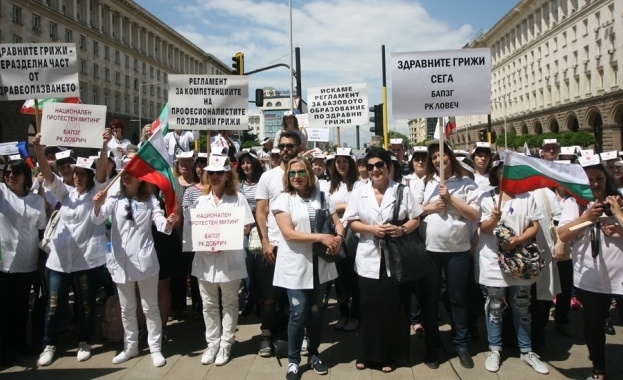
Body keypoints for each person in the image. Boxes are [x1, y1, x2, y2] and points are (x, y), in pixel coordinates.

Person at [33, 132, 111, 366]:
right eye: (73, 173)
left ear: (88, 176)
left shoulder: (96, 194)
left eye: (80, 173)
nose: (76, 176)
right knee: (54, 304)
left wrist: (104, 145)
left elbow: (101, 171)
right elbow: (49, 175)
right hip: (59, 260)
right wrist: (38, 149)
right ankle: (49, 343)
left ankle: (84, 341)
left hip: (85, 260)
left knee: (86, 304)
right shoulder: (65, 194)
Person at [343, 147, 424, 373]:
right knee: (369, 307)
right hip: (369, 256)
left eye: (379, 165)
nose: (375, 170)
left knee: (394, 307)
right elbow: (352, 222)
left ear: (388, 166)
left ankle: (390, 354)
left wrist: (402, 230)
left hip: (396, 257)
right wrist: (371, 229)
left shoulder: (402, 190)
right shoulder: (359, 192)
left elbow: (416, 218)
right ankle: (367, 353)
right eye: (370, 167)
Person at [91, 167, 176, 367]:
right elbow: (98, 218)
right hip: (121, 262)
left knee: (150, 307)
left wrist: (168, 223)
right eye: (123, 173)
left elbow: (160, 221)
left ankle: (155, 348)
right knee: (126, 308)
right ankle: (130, 347)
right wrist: (96, 205)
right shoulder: (114, 198)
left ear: (141, 178)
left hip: (145, 261)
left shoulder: (150, 200)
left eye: (130, 172)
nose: (126, 176)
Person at [273, 156, 343, 379]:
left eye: (301, 172)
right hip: (296, 265)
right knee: (298, 312)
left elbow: (338, 223)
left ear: (310, 174)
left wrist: (338, 238)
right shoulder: (283, 199)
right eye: (292, 173)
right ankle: (293, 361)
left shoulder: (322, 197)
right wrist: (322, 237)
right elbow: (289, 234)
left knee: (315, 312)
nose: (296, 177)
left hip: (320, 264)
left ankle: (313, 353)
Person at [477, 161, 549, 374]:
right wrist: (493, 219)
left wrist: (518, 240)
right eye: (502, 173)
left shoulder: (527, 197)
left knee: (522, 306)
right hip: (493, 262)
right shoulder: (487, 198)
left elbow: (535, 225)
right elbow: (484, 228)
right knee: (495, 308)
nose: (506, 177)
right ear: (496, 175)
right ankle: (495, 349)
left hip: (520, 262)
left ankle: (526, 350)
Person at [413, 140, 480, 369]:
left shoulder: (466, 182)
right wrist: (431, 206)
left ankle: (461, 345)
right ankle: (433, 346)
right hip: (431, 248)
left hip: (458, 249)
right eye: (433, 158)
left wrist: (451, 199)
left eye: (441, 156)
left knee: (458, 298)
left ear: (449, 157)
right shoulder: (426, 182)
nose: (437, 160)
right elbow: (415, 210)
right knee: (430, 300)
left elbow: (473, 215)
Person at [558, 154, 623, 380]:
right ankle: (599, 367)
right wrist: (586, 217)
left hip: (620, 274)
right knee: (593, 325)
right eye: (589, 180)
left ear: (606, 178)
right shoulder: (574, 203)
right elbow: (563, 234)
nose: (595, 184)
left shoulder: (619, 199)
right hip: (590, 277)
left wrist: (617, 215)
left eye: (599, 178)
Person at [191, 154, 253, 366]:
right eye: (212, 173)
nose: (215, 176)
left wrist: (226, 237)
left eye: (220, 173)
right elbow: (195, 231)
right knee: (208, 305)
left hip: (229, 261)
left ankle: (226, 344)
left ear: (228, 175)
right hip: (205, 262)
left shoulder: (238, 199)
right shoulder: (200, 201)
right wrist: (207, 241)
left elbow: (246, 227)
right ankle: (212, 344)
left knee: (229, 303)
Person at [255, 131, 300, 357]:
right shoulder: (268, 177)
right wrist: (265, 241)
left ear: (298, 148)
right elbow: (261, 212)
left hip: (298, 246)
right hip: (274, 245)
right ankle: (266, 334)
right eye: (282, 146)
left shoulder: (303, 174)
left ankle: (299, 335)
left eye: (290, 146)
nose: (285, 150)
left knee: (297, 294)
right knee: (269, 295)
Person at [0, 159, 47, 367]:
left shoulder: (36, 201)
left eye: (16, 173)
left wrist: (40, 258)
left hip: (26, 260)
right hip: (3, 262)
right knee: (3, 306)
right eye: (8, 172)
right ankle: (4, 347)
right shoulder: (1, 193)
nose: (10, 176)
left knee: (20, 305)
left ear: (25, 176)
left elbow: (41, 230)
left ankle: (19, 342)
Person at [327, 148, 361, 332]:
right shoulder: (329, 186)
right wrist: (340, 209)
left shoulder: (358, 185)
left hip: (352, 235)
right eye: (338, 162)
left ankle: (356, 314)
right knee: (338, 278)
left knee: (353, 277)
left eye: (345, 161)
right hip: (334, 234)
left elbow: (357, 206)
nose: (341, 165)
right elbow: (326, 208)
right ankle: (342, 312)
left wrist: (337, 208)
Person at [236, 150, 264, 316]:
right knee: (246, 265)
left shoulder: (262, 181)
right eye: (243, 163)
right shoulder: (238, 183)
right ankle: (249, 300)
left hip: (260, 228)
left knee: (260, 267)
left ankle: (261, 301)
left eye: (248, 162)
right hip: (244, 229)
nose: (246, 166)